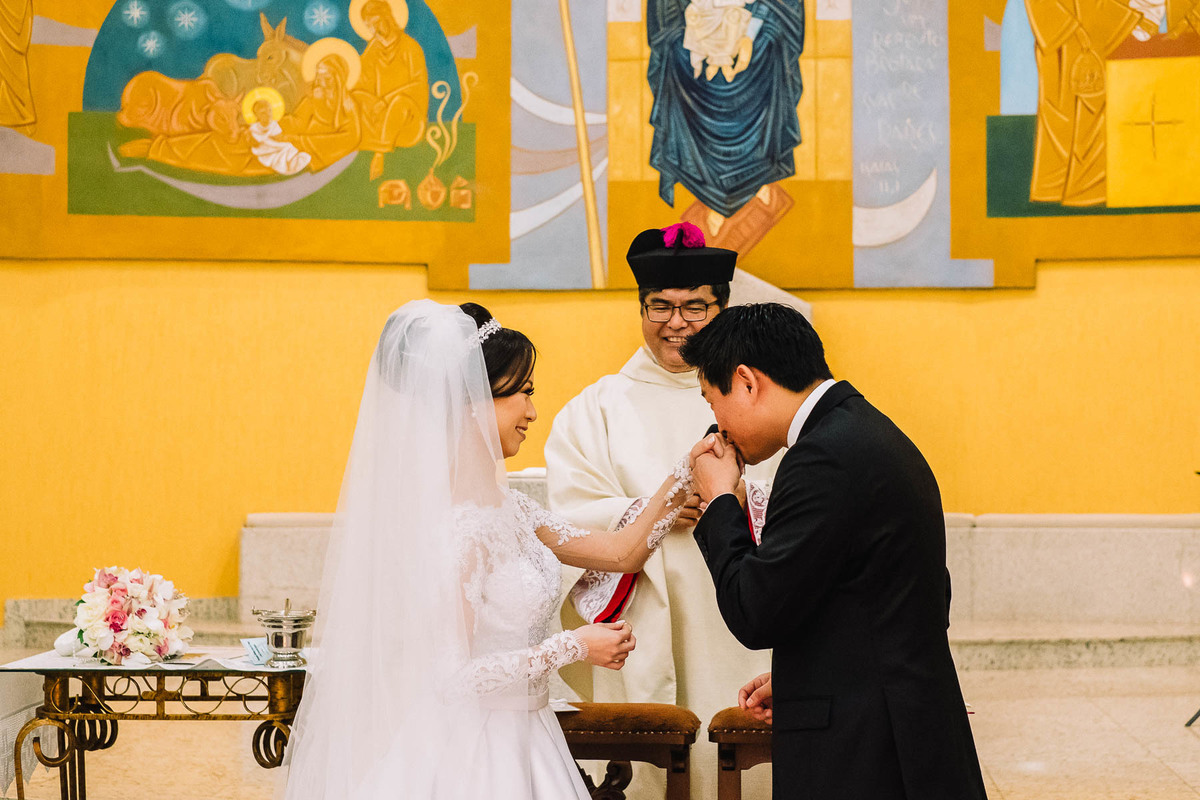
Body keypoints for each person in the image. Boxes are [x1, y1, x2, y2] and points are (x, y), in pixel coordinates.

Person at [281, 300, 697, 800]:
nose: (533, 411)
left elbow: (619, 553)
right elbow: (450, 679)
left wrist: (686, 473)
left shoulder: (511, 508)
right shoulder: (457, 529)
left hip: (529, 735)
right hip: (472, 753)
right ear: (473, 401)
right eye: (523, 392)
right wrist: (574, 647)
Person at [681, 303, 988, 800]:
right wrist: (809, 674)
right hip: (897, 720)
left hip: (867, 747)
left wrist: (719, 500)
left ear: (746, 382)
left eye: (711, 401)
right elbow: (876, 597)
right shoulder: (861, 430)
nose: (716, 423)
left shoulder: (821, 457)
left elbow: (756, 612)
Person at [545, 222, 777, 800]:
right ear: (641, 308)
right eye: (661, 307)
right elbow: (569, 513)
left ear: (721, 308)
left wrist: (734, 499)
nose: (677, 322)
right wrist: (655, 510)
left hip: (735, 602)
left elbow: (794, 488)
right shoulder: (595, 407)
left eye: (695, 307)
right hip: (642, 609)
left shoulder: (759, 394)